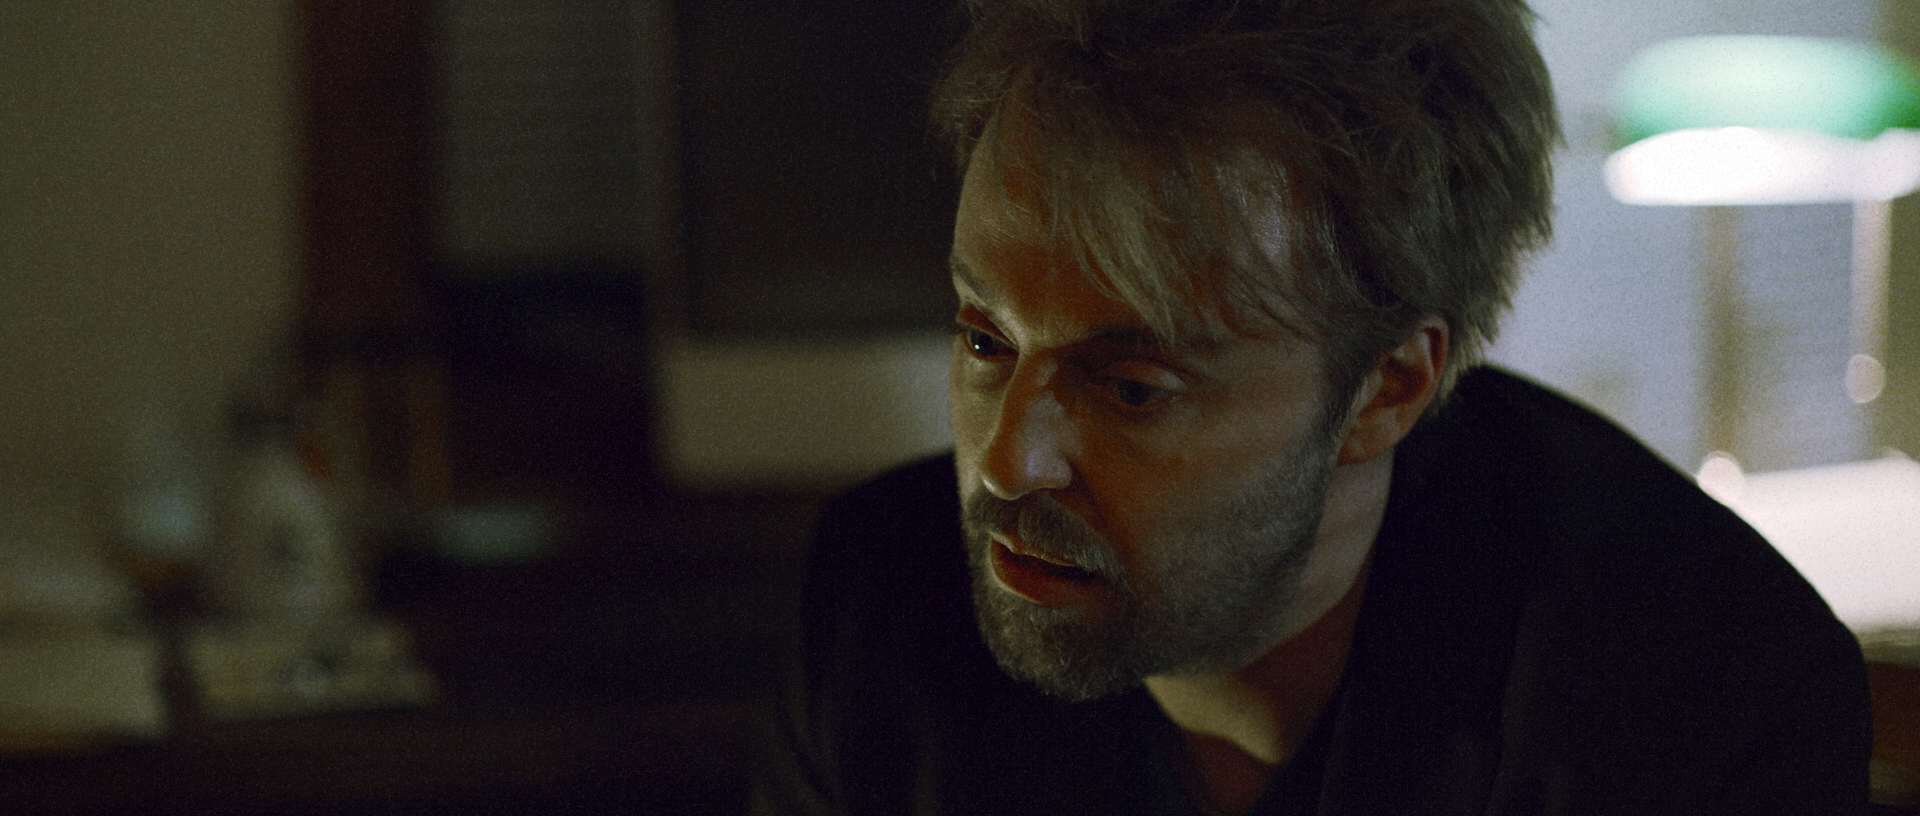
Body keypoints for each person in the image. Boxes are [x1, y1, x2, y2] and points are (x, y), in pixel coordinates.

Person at [754, 0, 1872, 812]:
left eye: (1131, 387)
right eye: (985, 341)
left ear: (1388, 387)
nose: (1008, 462)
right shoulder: (879, 606)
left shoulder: (1694, 690)